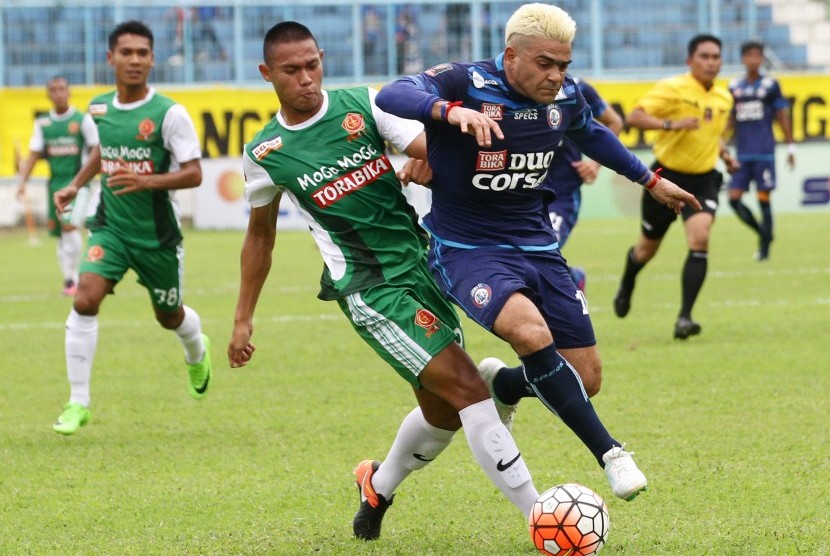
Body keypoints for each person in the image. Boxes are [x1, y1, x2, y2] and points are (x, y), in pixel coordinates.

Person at [227, 21, 541, 542]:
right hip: (369, 288)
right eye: (291, 70)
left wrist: (429, 160)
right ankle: (542, 519)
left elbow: (428, 148)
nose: (306, 78)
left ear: (321, 58)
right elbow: (260, 237)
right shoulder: (266, 153)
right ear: (267, 74)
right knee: (467, 390)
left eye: (312, 64)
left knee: (442, 413)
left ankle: (378, 483)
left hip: (423, 263)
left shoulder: (361, 105)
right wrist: (242, 318)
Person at [376, 3, 699, 503]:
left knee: (585, 379)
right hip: (468, 247)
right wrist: (448, 111)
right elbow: (395, 94)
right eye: (545, 63)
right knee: (530, 331)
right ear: (511, 55)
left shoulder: (565, 97)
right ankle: (611, 453)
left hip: (537, 243)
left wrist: (650, 180)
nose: (556, 76)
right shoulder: (466, 83)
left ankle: (503, 386)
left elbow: (592, 133)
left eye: (564, 65)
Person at [51, 21, 212, 435]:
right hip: (111, 227)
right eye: (127, 53)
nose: (135, 60)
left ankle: (197, 351)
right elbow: (103, 151)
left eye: (143, 52)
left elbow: (194, 174)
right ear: (111, 59)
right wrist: (75, 184)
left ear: (153, 59)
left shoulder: (169, 113)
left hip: (157, 235)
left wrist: (147, 181)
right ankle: (77, 402)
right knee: (85, 299)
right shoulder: (99, 108)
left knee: (169, 316)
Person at [613, 33, 738, 340]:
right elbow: (634, 117)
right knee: (646, 250)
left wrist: (724, 154)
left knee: (700, 238)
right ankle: (627, 282)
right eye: (704, 57)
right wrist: (671, 124)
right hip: (665, 178)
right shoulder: (673, 88)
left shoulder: (724, 98)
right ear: (689, 60)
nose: (711, 63)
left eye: (715, 57)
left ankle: (685, 317)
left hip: (704, 179)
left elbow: (713, 133)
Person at [15, 76, 99, 296]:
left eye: (62, 88)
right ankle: (69, 279)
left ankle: (76, 279)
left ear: (69, 92)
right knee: (62, 234)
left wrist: (91, 178)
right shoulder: (43, 123)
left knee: (70, 226)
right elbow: (34, 154)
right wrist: (22, 182)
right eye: (54, 89)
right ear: (48, 94)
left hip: (79, 184)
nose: (59, 93)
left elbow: (96, 151)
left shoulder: (83, 120)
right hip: (54, 185)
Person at [543, 77, 624, 291]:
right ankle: (571, 278)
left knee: (545, 249)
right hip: (519, 193)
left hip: (561, 194)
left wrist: (595, 164)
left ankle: (572, 282)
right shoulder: (508, 89)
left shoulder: (577, 88)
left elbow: (615, 122)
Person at [727, 40, 795, 261]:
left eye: (757, 56)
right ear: (743, 59)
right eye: (749, 55)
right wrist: (719, 140)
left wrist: (791, 145)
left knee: (763, 198)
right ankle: (764, 233)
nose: (753, 60)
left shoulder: (770, 85)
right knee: (733, 199)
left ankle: (764, 251)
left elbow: (782, 116)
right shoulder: (734, 87)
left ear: (762, 59)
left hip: (764, 152)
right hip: (742, 153)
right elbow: (729, 119)